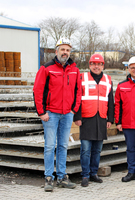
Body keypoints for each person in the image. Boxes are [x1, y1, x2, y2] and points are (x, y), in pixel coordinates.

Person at [33, 38, 81, 192]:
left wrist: (74, 109)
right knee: (49, 146)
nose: (65, 52)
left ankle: (61, 176)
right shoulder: (46, 68)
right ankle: (48, 177)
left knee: (63, 145)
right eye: (62, 49)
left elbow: (78, 91)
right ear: (56, 51)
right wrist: (41, 112)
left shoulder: (75, 70)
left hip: (67, 114)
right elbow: (37, 91)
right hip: (51, 114)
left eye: (67, 50)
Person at [74, 54, 114, 187]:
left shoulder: (108, 80)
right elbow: (77, 98)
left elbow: (111, 101)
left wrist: (110, 118)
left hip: (101, 118)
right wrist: (77, 117)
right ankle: (85, 175)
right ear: (89, 65)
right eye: (93, 64)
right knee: (85, 149)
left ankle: (94, 173)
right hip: (86, 118)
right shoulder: (82, 78)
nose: (96, 66)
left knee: (97, 150)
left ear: (103, 65)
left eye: (99, 64)